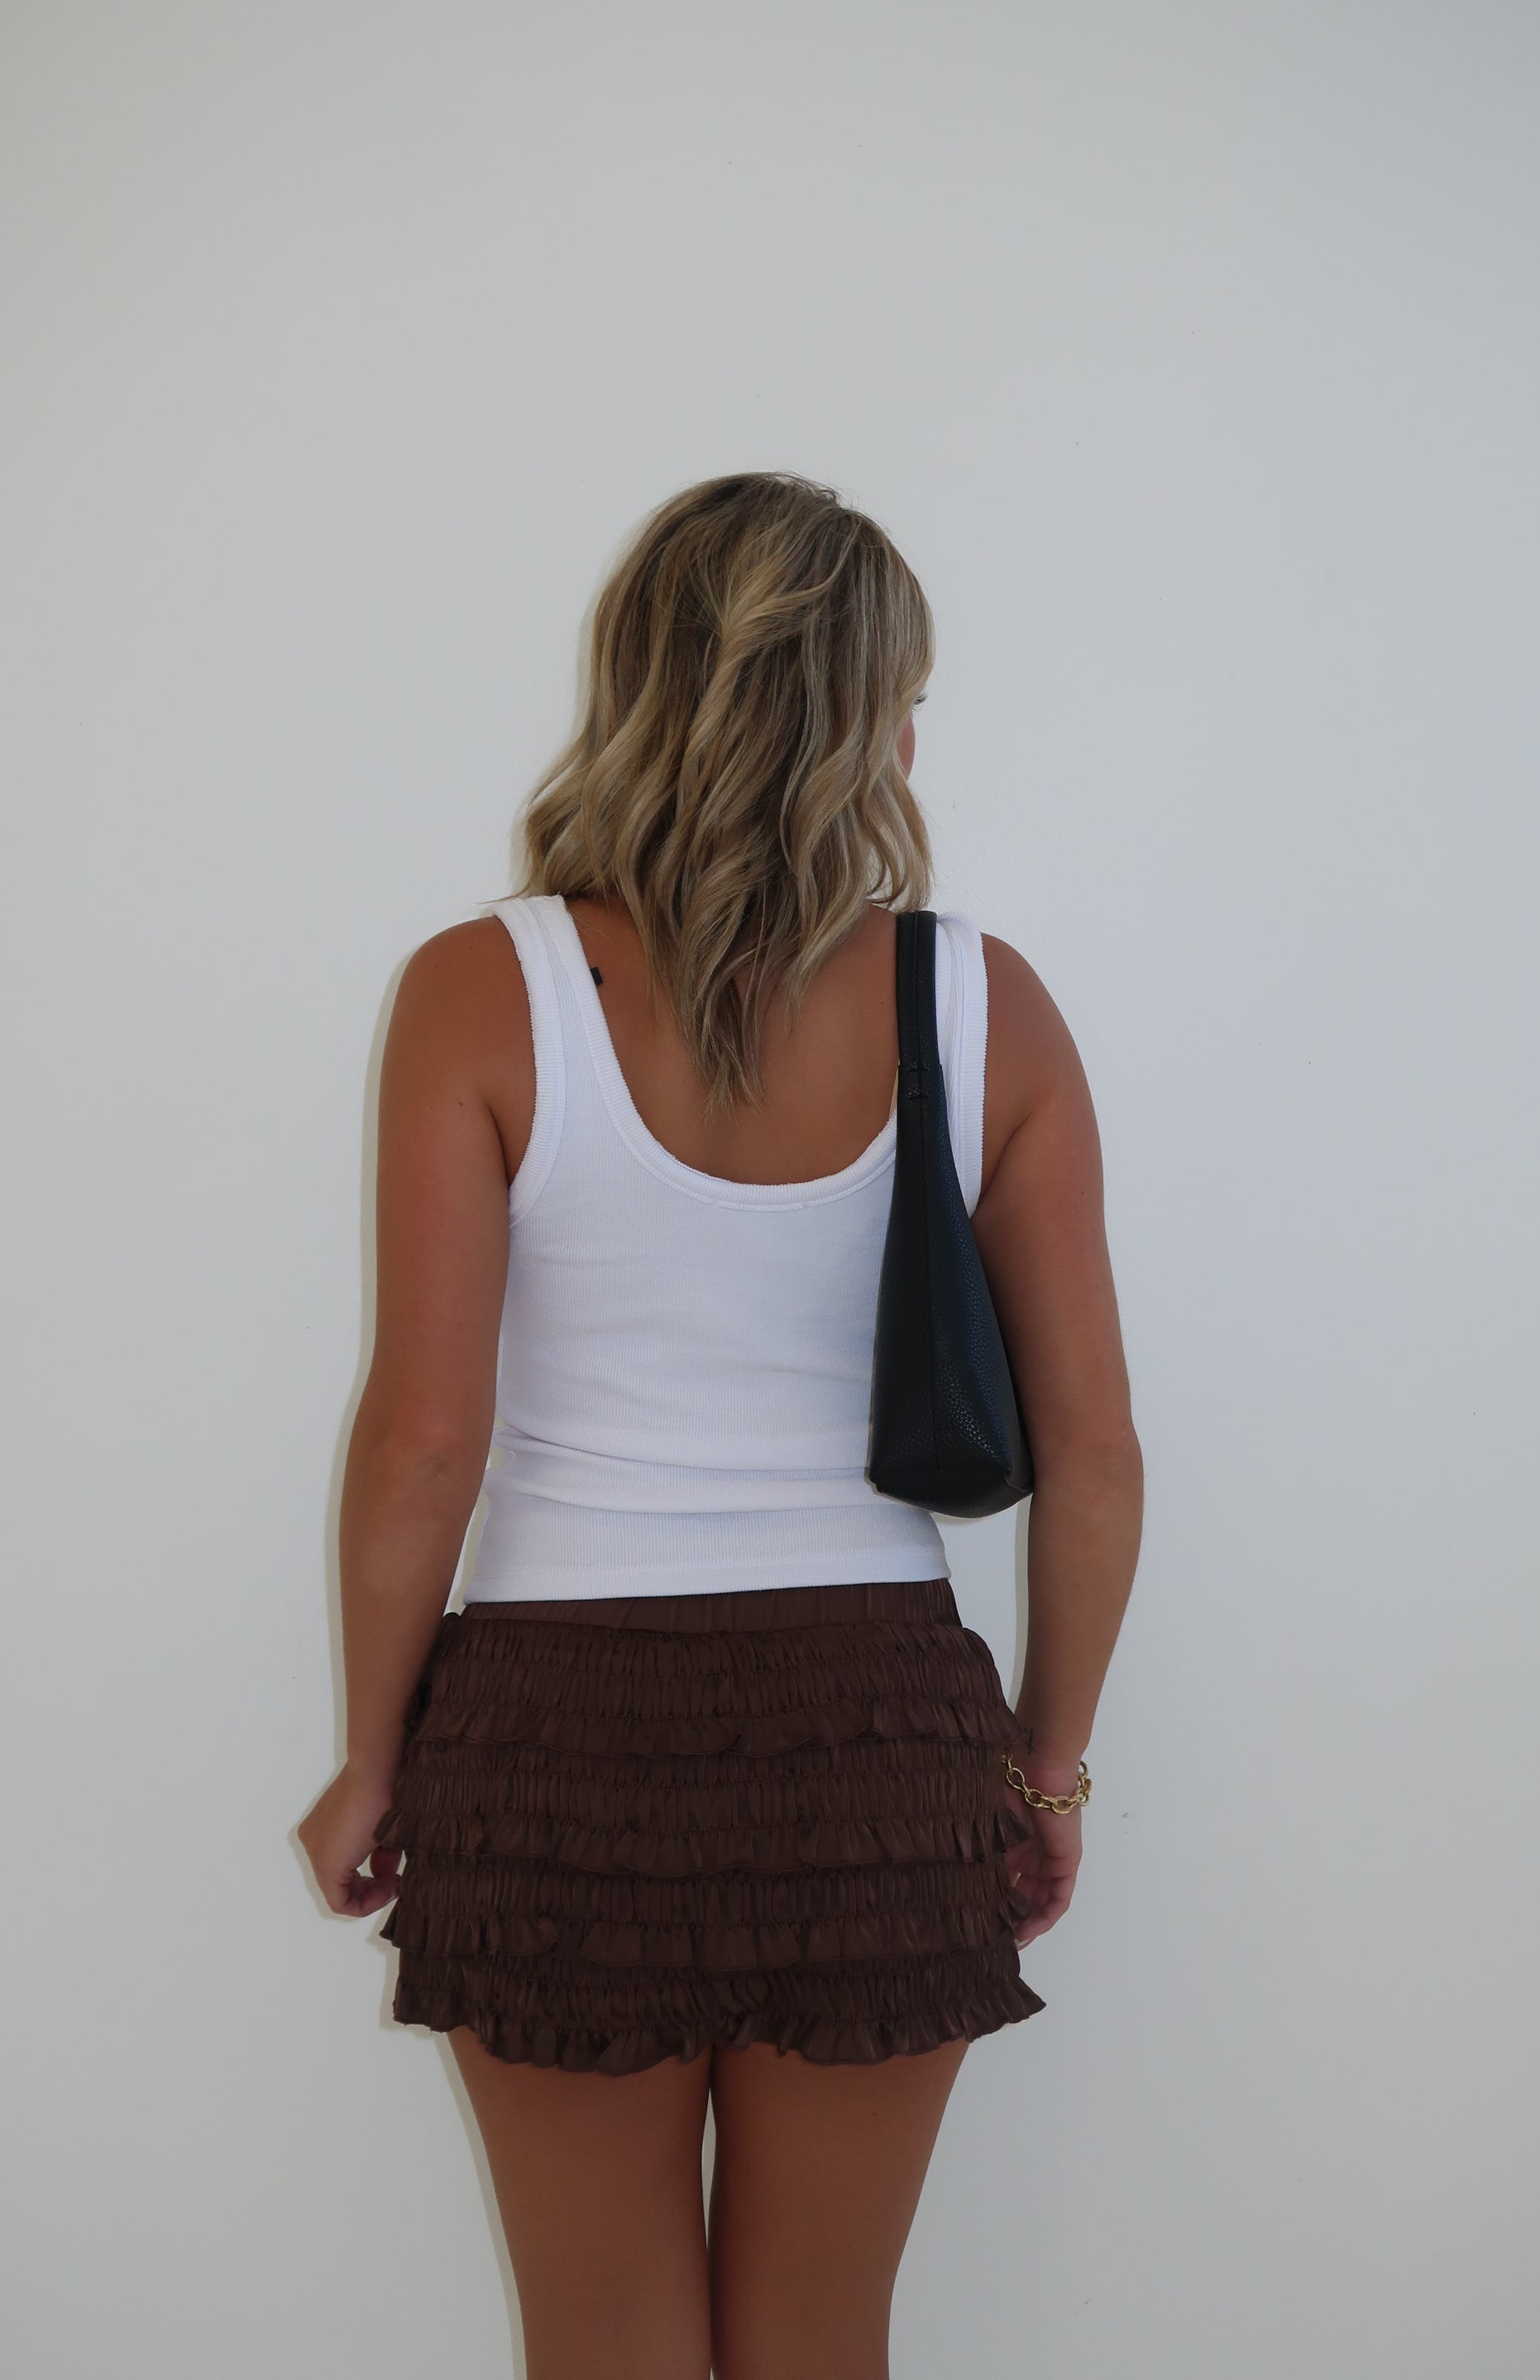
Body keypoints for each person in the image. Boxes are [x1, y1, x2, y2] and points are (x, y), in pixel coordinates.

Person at [298, 470, 1143, 2380]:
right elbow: (1092, 1457)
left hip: (551, 1749)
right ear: (865, 718)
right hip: (874, 1745)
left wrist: (369, 1757)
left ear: (642, 684)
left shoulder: (484, 989)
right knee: (823, 2341)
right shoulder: (977, 1002)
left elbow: (424, 1437)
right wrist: (1044, 1770)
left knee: (599, 2346)